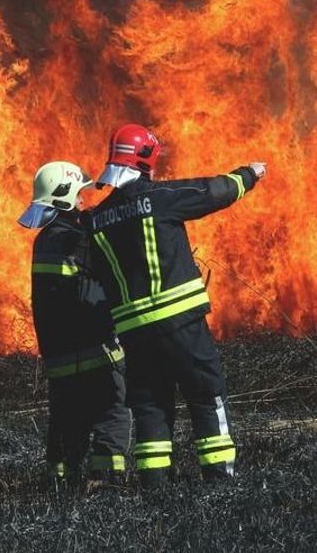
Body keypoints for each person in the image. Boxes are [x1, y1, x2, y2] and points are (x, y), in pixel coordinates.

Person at [85, 123, 265, 486]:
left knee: (150, 402)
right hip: (180, 321)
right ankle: (220, 480)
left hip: (134, 332)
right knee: (205, 392)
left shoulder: (95, 221)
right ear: (145, 159)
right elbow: (211, 191)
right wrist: (249, 174)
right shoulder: (159, 197)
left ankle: (154, 484)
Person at [18, 160, 131, 489]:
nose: (85, 199)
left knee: (67, 420)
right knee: (112, 411)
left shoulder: (46, 240)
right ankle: (106, 482)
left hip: (59, 355)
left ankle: (59, 483)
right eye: (80, 194)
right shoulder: (79, 240)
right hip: (95, 348)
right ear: (64, 197)